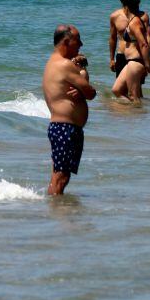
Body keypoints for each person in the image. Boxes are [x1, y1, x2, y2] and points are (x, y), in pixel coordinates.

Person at [42, 24, 97, 195]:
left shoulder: (53, 62)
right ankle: (58, 212)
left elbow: (83, 89)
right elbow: (90, 92)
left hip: (62, 127)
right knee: (61, 177)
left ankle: (56, 210)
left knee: (58, 175)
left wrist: (81, 86)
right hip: (65, 128)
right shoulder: (65, 65)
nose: (81, 44)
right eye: (78, 40)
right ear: (66, 41)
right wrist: (83, 83)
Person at [112, 0, 150, 102]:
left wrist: (147, 64)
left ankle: (137, 116)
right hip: (130, 61)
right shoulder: (129, 19)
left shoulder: (135, 21)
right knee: (117, 90)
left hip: (135, 61)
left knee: (133, 96)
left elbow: (144, 43)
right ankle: (133, 113)